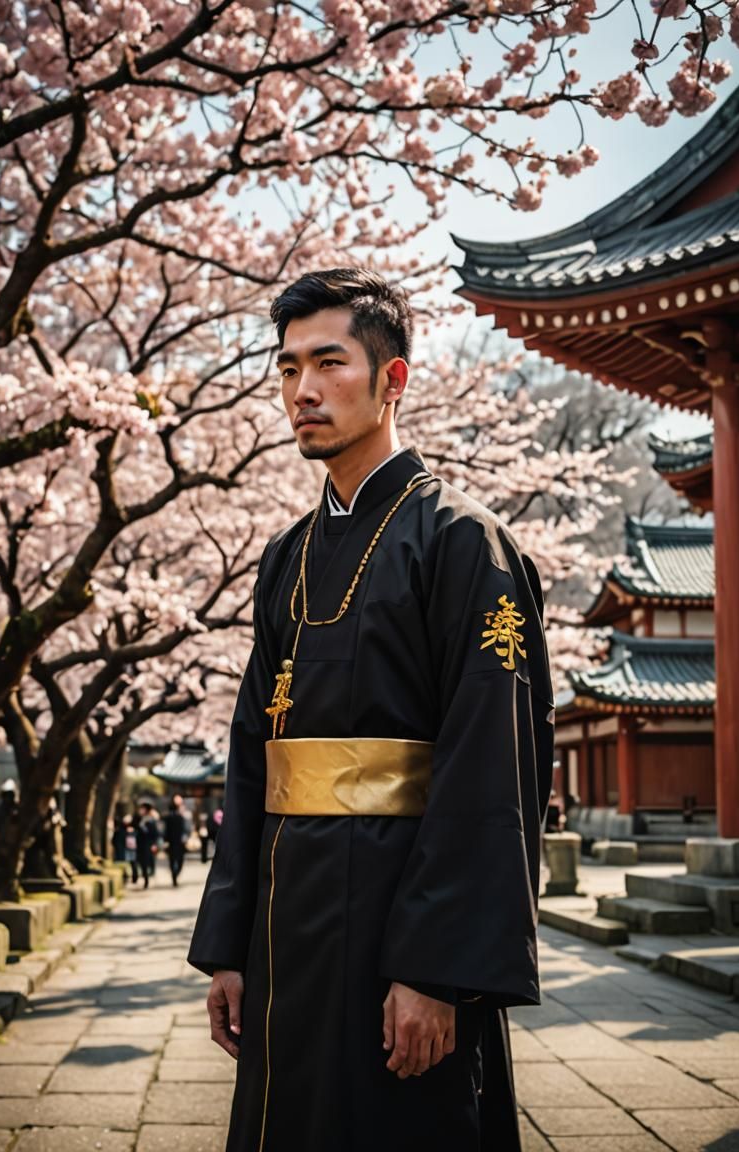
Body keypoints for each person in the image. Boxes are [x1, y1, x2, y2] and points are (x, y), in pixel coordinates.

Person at [187, 269, 554, 1152]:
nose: (301, 391)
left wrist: (436, 969)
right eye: (285, 369)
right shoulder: (286, 556)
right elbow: (250, 753)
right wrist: (230, 944)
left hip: (401, 931)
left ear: (393, 379)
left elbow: (488, 768)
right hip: (286, 929)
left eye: (328, 362)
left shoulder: (464, 542)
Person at [163, 794, 191, 885]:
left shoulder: (184, 816)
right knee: (174, 859)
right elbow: (165, 830)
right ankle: (174, 875)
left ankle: (175, 874)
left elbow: (187, 829)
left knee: (179, 860)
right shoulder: (169, 817)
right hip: (173, 841)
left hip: (179, 842)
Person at [135, 801, 160, 889]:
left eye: (142, 809)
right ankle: (145, 877)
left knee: (146, 861)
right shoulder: (138, 819)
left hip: (147, 844)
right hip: (139, 844)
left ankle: (147, 879)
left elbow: (154, 833)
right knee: (141, 862)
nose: (140, 810)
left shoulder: (151, 820)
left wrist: (154, 844)